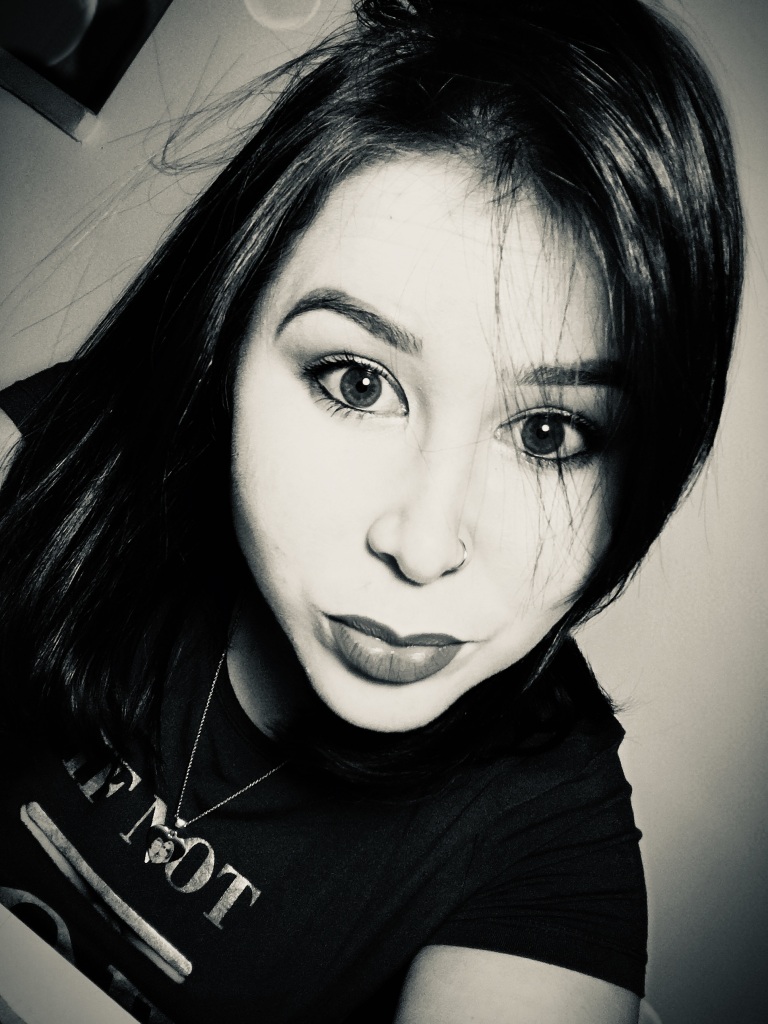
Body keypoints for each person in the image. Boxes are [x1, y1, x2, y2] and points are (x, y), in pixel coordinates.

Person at [0, 0, 743, 1022]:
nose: (423, 545)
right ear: (229, 337)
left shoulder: (546, 840)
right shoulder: (79, 455)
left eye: (547, 435)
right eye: (357, 381)